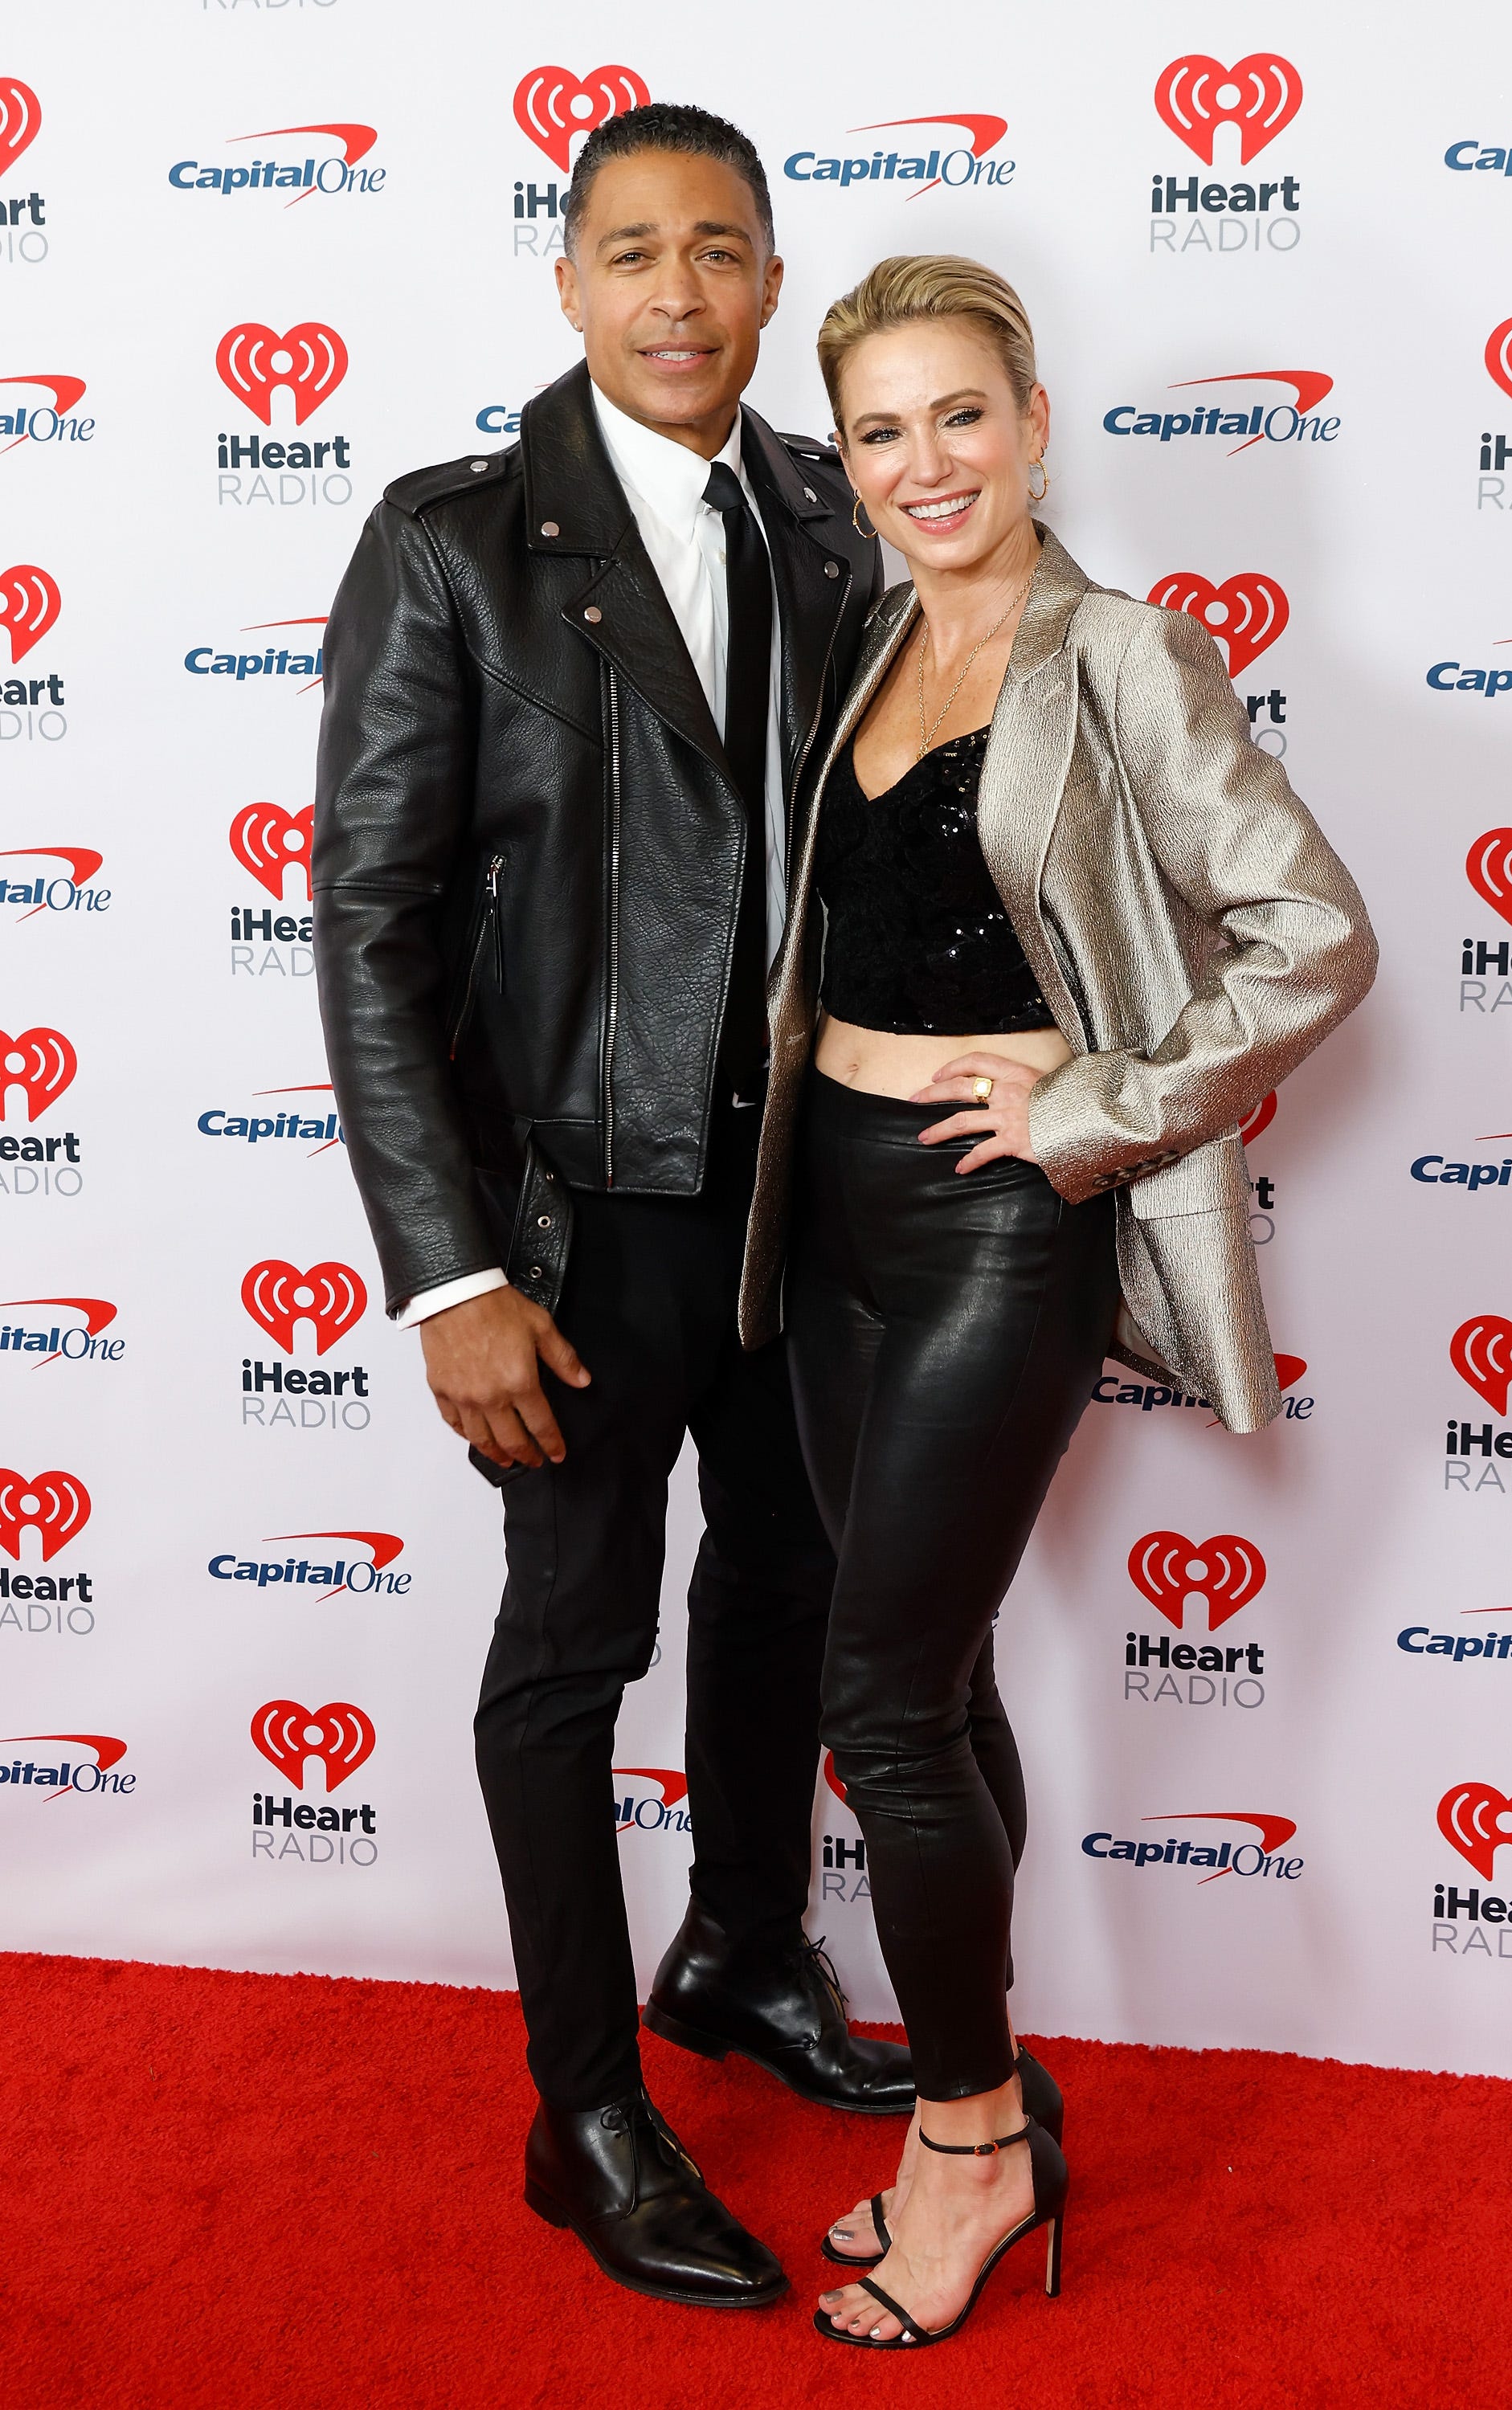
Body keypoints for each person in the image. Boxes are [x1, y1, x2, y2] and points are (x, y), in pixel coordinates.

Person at [734, 255, 1379, 2348]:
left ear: (1031, 418)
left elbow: (1312, 936)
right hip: (821, 1203)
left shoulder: (1126, 654)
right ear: (852, 457)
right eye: (881, 431)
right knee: (926, 1670)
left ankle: (974, 2137)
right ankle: (970, 2113)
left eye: (961, 415)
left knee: (875, 1704)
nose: (926, 464)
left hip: (997, 1210)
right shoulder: (860, 637)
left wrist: (1102, 1098)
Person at [311, 105, 911, 2312]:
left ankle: (741, 1951)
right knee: (572, 1648)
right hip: (565, 1230)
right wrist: (446, 1271)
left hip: (798, 1205)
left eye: (723, 251)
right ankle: (583, 2113)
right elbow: (365, 922)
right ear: (566, 286)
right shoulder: (455, 543)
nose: (678, 292)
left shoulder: (836, 522)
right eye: (632, 251)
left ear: (771, 287)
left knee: (787, 1591)